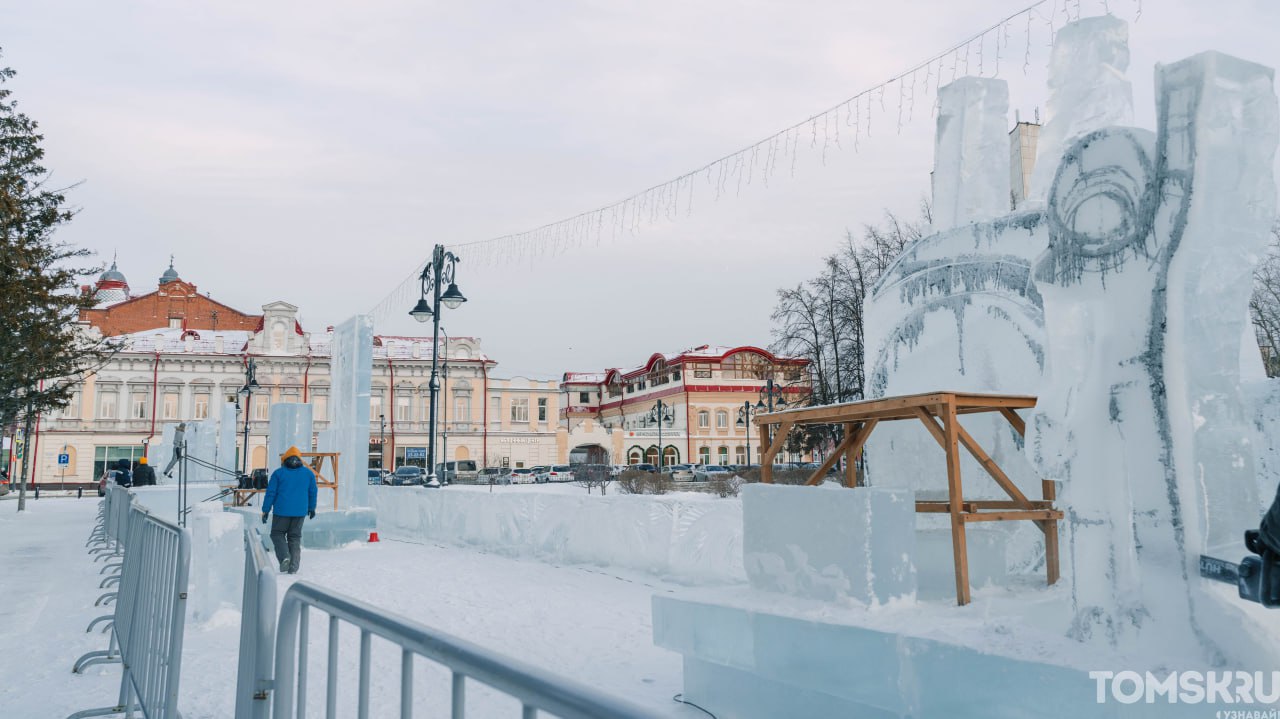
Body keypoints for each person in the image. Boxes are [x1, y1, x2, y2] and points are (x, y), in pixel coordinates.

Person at [261, 446, 317, 574]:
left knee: (277, 534)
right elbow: (312, 492)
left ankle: (285, 557)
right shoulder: (308, 473)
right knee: (295, 537)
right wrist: (312, 508)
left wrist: (265, 510)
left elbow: (271, 493)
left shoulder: (278, 473)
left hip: (281, 511)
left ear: (285, 459)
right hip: (300, 512)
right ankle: (294, 566)